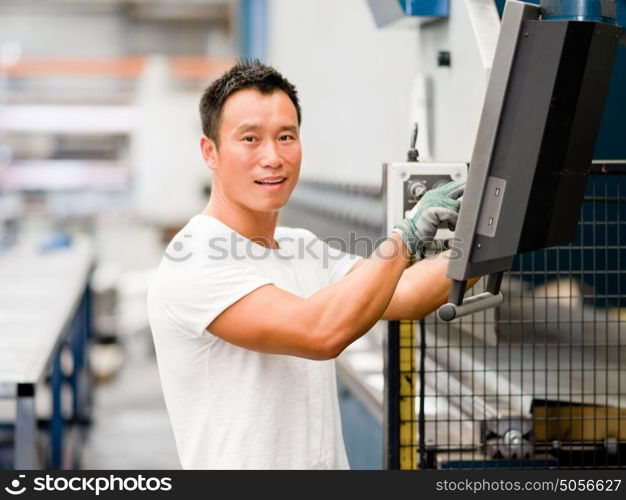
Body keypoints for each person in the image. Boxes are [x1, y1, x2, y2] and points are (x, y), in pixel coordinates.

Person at [147, 60, 465, 470]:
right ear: (211, 151)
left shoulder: (301, 247)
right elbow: (320, 332)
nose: (273, 157)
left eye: (286, 136)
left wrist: (485, 237)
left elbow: (403, 294)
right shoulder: (195, 259)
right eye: (250, 139)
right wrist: (405, 237)